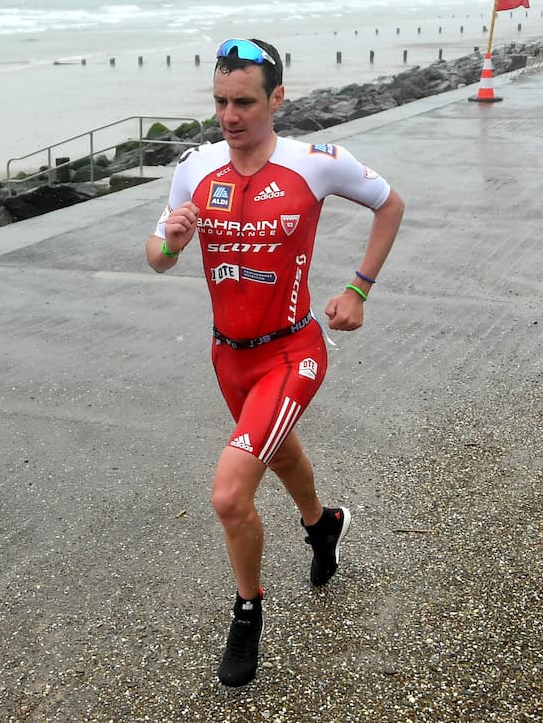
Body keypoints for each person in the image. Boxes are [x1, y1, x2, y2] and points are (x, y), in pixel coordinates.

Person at [145, 37, 404, 687]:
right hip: (226, 358)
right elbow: (155, 254)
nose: (230, 117)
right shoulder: (197, 167)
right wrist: (171, 243)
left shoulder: (315, 163)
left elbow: (389, 205)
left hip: (292, 352)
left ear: (277, 99)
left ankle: (248, 609)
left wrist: (358, 288)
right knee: (279, 452)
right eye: (220, 102)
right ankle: (324, 526)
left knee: (230, 495)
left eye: (244, 103)